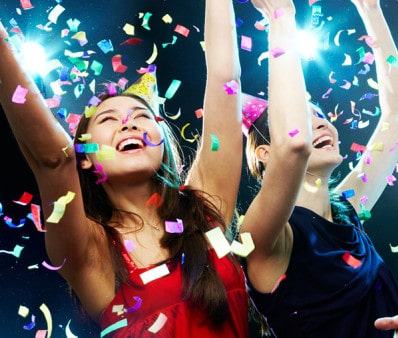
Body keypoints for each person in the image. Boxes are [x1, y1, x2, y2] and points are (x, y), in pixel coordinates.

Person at [0, 0, 248, 336]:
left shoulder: (205, 206)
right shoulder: (93, 252)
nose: (129, 124)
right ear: (84, 156)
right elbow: (53, 159)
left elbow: (224, 80)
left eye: (142, 115)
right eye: (108, 119)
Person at [239, 0, 398, 336]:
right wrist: (282, 19)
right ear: (263, 152)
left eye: (320, 116)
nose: (319, 125)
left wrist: (372, 11)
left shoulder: (350, 205)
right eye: (303, 120)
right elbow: (294, 146)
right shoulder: (269, 234)